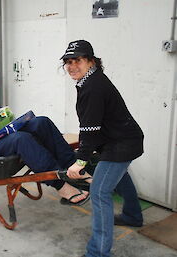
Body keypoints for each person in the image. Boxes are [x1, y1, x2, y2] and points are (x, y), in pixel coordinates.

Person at [60, 40, 144, 257]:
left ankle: (98, 252)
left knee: (99, 192)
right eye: (68, 62)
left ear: (91, 61)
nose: (71, 66)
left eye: (77, 60)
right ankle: (133, 216)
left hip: (121, 143)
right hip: (121, 139)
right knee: (120, 176)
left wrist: (81, 161)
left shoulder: (93, 86)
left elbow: (89, 127)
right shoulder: (90, 81)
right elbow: (94, 125)